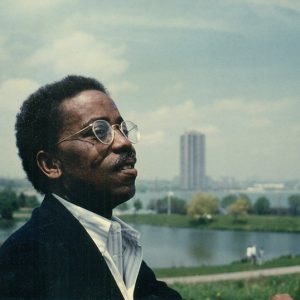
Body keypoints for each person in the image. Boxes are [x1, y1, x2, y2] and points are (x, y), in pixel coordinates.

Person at [0, 75, 182, 300]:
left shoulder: (114, 242)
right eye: (98, 131)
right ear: (50, 165)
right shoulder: (25, 262)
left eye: (122, 128)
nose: (124, 142)